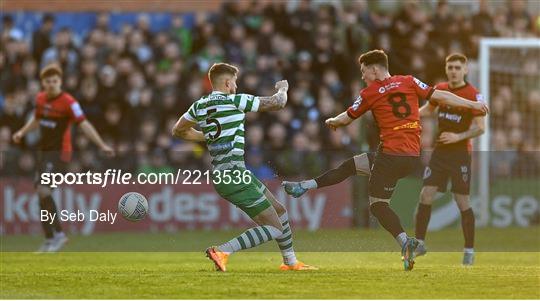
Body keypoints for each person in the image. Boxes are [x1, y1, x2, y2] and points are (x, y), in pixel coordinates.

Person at [282, 49, 488, 270]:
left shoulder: (370, 92)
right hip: (411, 157)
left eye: (363, 72)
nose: (363, 77)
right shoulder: (409, 81)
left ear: (374, 69)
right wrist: (472, 105)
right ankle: (305, 185)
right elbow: (438, 95)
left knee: (378, 205)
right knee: (353, 165)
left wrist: (332, 120)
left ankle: (406, 242)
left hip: (390, 155)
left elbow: (345, 119)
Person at [172, 63, 316, 271]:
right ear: (228, 83)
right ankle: (222, 250)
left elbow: (178, 131)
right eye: (235, 82)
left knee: (279, 211)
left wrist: (208, 136)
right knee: (274, 227)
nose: (236, 86)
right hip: (232, 174)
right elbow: (278, 103)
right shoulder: (235, 101)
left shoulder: (200, 105)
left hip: (231, 174)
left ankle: (290, 262)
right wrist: (283, 88)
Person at [12, 63, 114, 252]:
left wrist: (101, 144)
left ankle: (58, 235)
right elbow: (36, 119)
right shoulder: (40, 99)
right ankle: (50, 238)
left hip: (60, 153)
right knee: (42, 194)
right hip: (45, 152)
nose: (51, 84)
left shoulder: (69, 102)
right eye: (48, 81)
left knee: (43, 190)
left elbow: (84, 124)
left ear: (60, 82)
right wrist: (22, 132)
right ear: (43, 83)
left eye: (55, 81)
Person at [414, 53, 486, 265]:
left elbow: (481, 128)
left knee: (461, 200)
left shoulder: (475, 95)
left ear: (465, 70)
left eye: (457, 67)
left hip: (460, 153)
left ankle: (469, 251)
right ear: (446, 69)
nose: (453, 70)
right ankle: (419, 243)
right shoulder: (441, 89)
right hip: (440, 152)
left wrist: (458, 136)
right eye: (450, 67)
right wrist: (409, 115)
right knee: (425, 195)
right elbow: (429, 109)